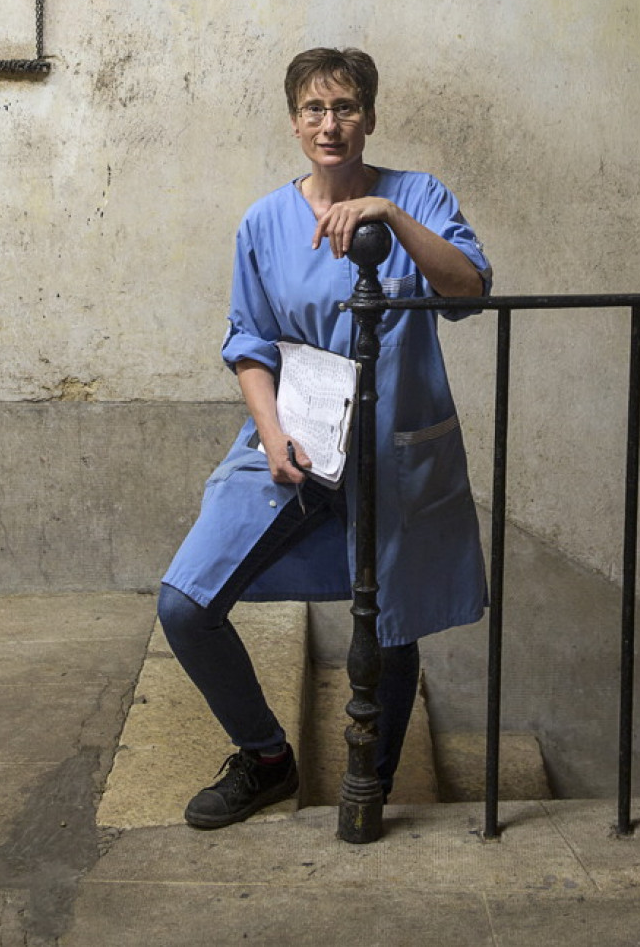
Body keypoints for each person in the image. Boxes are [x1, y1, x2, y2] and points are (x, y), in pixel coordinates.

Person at [158, 46, 491, 829]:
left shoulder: (417, 195)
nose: (330, 124)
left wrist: (392, 219)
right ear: (295, 122)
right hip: (296, 437)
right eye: (314, 109)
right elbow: (249, 342)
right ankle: (267, 758)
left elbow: (470, 290)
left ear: (370, 118)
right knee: (184, 605)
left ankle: (366, 785)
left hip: (394, 445)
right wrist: (271, 436)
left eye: (345, 108)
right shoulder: (264, 222)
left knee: (391, 616)